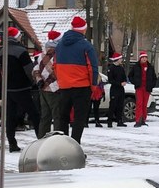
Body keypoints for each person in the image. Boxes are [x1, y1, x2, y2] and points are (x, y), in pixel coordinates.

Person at [53, 16, 99, 144]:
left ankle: (64, 145)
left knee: (63, 118)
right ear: (83, 30)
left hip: (64, 87)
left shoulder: (59, 45)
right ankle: (75, 145)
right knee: (79, 118)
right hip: (82, 87)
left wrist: (62, 81)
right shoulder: (86, 45)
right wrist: (93, 85)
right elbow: (93, 68)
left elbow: (55, 65)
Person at [4, 26, 41, 152]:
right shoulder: (21, 51)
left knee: (10, 116)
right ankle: (41, 141)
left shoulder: (1, 51)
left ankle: (12, 143)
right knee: (35, 114)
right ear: (16, 37)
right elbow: (29, 70)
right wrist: (35, 82)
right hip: (21, 88)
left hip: (7, 89)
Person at [33, 30, 62, 138]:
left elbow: (35, 70)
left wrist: (39, 80)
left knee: (45, 117)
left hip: (43, 89)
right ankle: (57, 140)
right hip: (55, 89)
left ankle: (42, 139)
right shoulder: (58, 55)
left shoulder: (41, 55)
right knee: (57, 116)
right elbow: (58, 72)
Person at [128, 51, 157, 127]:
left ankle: (143, 120)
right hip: (139, 88)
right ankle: (138, 120)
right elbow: (130, 76)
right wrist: (135, 82)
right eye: (143, 58)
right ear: (140, 58)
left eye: (145, 58)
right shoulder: (136, 66)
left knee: (145, 104)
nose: (144, 59)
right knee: (139, 104)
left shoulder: (150, 67)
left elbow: (154, 78)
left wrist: (151, 85)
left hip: (147, 88)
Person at [106, 52, 128, 127]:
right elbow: (110, 80)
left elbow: (124, 77)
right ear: (117, 59)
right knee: (113, 105)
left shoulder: (121, 68)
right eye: (120, 59)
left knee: (120, 105)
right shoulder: (111, 68)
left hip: (121, 89)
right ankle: (109, 121)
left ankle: (119, 120)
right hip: (114, 89)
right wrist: (119, 83)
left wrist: (124, 81)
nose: (121, 60)